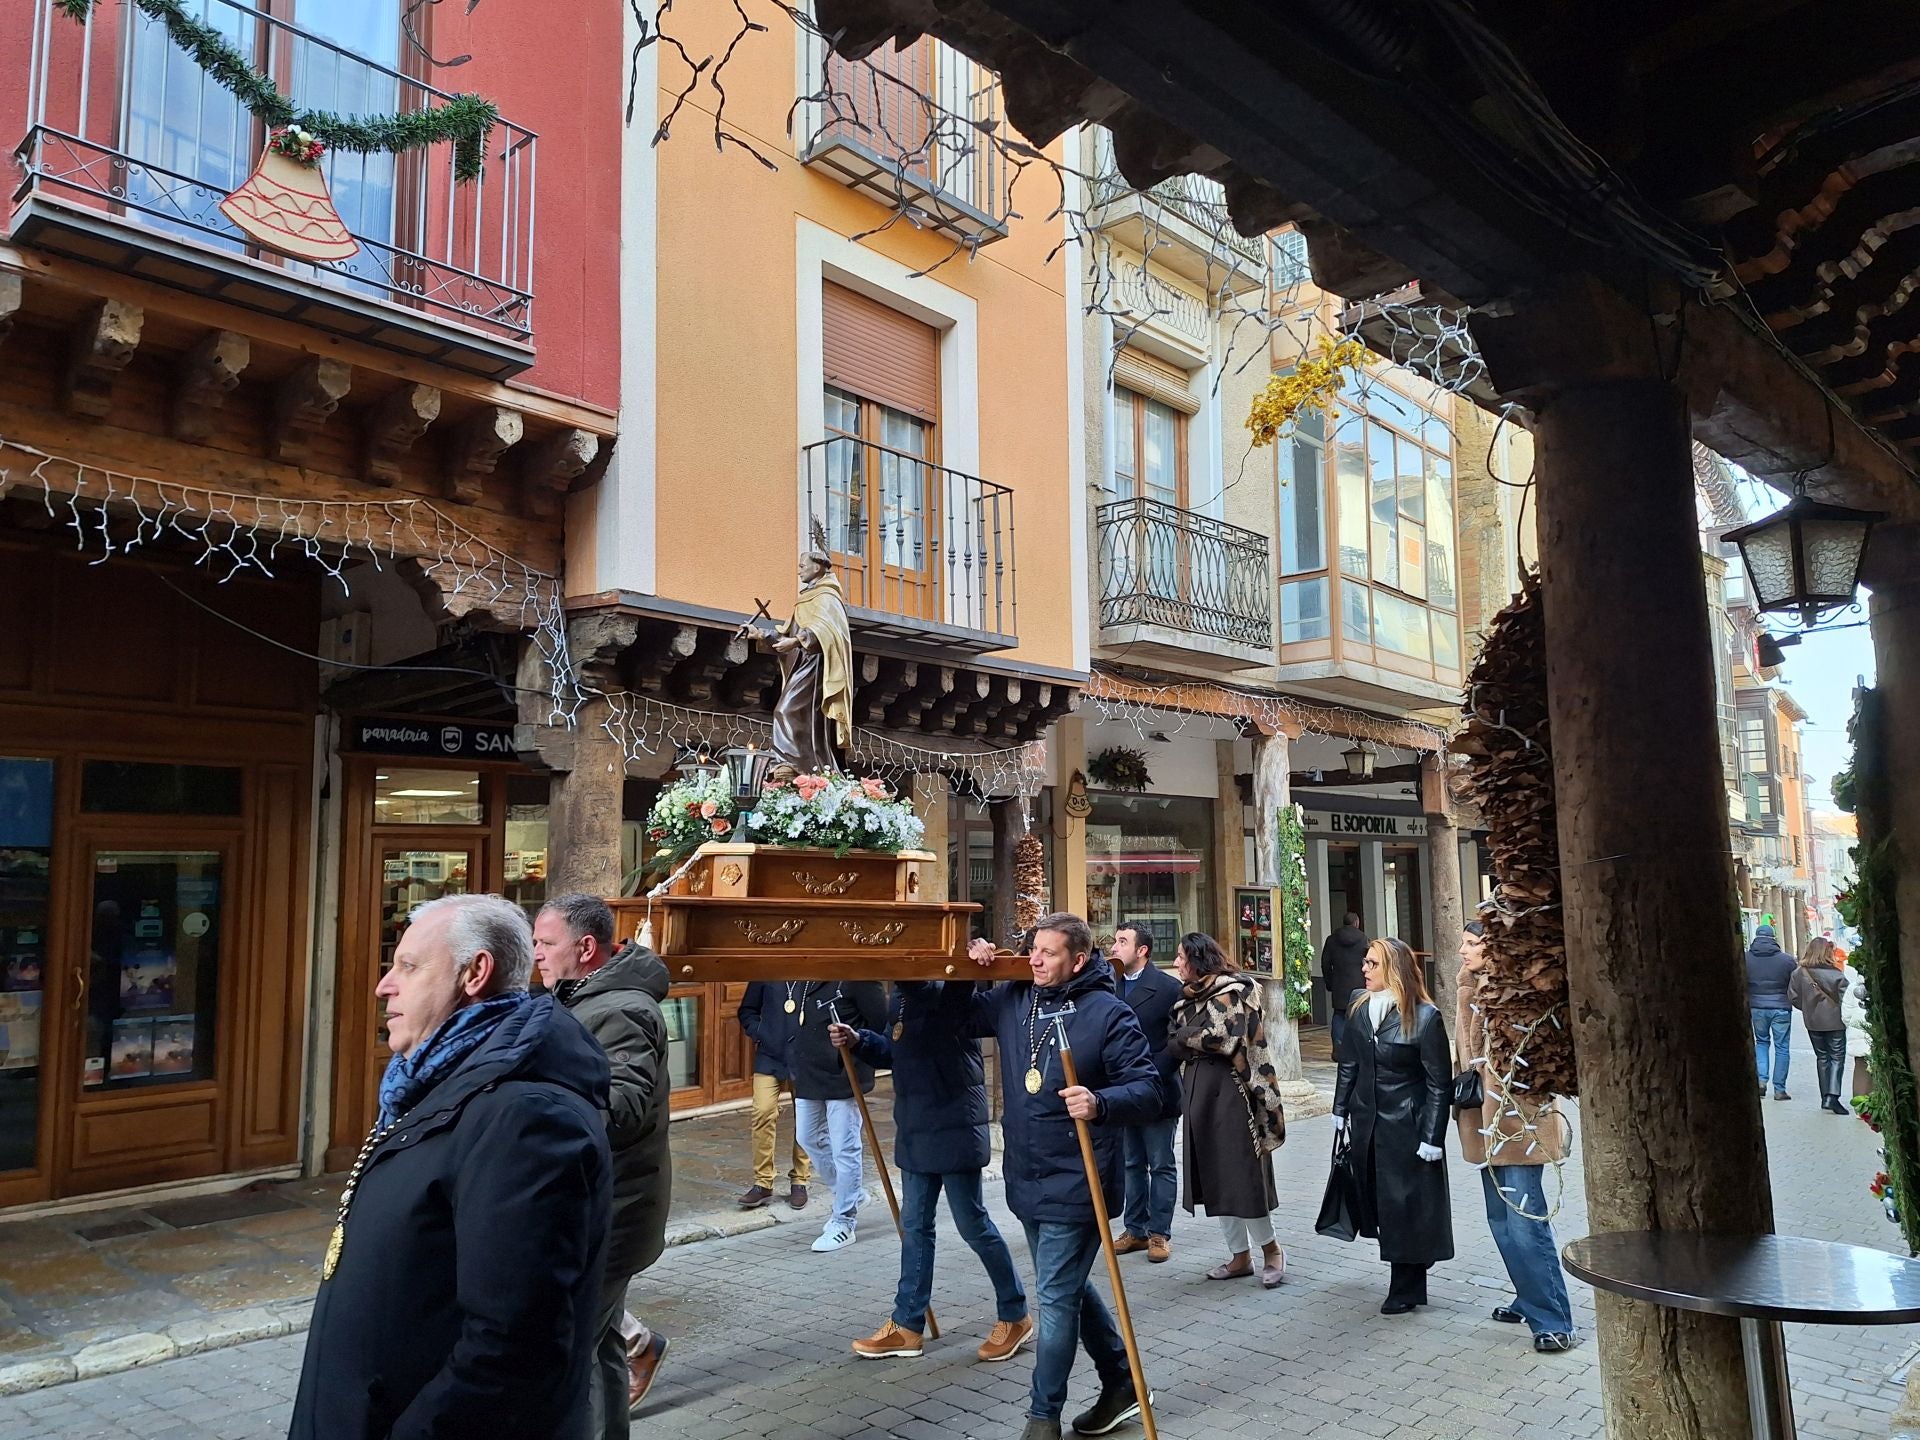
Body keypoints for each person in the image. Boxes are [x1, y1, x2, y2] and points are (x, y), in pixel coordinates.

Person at [289, 894, 611, 1440]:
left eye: (409, 967)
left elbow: (510, 1345)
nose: (383, 986)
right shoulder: (433, 1083)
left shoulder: (523, 1118)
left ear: (474, 972)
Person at [965, 914, 1161, 1440]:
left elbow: (1149, 1089)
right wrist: (972, 965)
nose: (1035, 960)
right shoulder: (1015, 999)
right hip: (1027, 1178)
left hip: (1081, 1182)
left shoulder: (1108, 1012)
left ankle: (1041, 1417)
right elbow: (952, 1015)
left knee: (1053, 1300)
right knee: (1067, 1287)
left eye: (1048, 953)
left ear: (1077, 960)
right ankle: (1121, 1382)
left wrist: (1100, 1101)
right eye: (1033, 950)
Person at [827, 982, 1033, 1363]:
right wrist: (860, 1041)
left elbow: (947, 999)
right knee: (915, 1226)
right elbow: (897, 1049)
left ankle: (1015, 1313)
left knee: (973, 1224)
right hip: (916, 1126)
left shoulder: (947, 991)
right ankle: (906, 1325)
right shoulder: (903, 995)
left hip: (954, 1125)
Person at [534, 895, 674, 1430]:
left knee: (568, 1356)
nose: (537, 955)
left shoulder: (618, 1009)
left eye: (547, 944)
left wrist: (537, 1102)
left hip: (614, 1209)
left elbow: (624, 1109)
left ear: (586, 947)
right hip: (603, 1205)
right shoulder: (583, 998)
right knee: (603, 1351)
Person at [1454, 922, 1576, 1354]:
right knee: (1501, 1223)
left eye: (1471, 943)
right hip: (1483, 1122)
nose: (1462, 950)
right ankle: (1528, 1296)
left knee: (1525, 1224)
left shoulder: (1515, 990)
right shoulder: (1469, 988)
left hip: (1519, 1122)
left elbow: (1541, 1051)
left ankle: (1554, 1320)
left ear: (1493, 947)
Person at [1331, 935, 1453, 1315]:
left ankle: (1406, 1286)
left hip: (1407, 1126)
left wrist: (1432, 1136)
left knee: (1404, 1205)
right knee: (1381, 1203)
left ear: (1394, 970)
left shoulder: (1425, 1017)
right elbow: (1349, 1061)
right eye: (1365, 963)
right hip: (1367, 1122)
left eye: (1372, 964)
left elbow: (1438, 1082)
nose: (1364, 969)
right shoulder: (1358, 1005)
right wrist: (1339, 1109)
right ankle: (1413, 1260)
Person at [1165, 932, 1286, 1288]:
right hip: (1199, 1091)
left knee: (1243, 1176)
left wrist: (1187, 1036)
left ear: (1197, 960)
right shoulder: (1188, 998)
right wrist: (1190, 1036)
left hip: (1234, 1093)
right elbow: (1174, 1041)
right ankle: (1239, 1256)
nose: (1175, 964)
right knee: (1215, 1174)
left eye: (1180, 957)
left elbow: (1222, 1039)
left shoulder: (1231, 991)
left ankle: (1272, 1250)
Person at [789, 979, 887, 1251]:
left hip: (845, 1072)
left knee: (845, 1148)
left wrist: (854, 1040)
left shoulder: (858, 977)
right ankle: (852, 1194)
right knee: (807, 1138)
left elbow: (880, 1025)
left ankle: (844, 1220)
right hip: (809, 1073)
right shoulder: (801, 979)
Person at [1108, 921, 1181, 1264]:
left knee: (1160, 1163)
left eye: (1122, 942)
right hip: (1121, 1091)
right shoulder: (1109, 985)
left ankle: (1159, 1233)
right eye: (1115, 940)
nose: (1114, 947)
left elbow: (1179, 1040)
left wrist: (1152, 1072)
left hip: (1157, 1090)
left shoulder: (1167, 988)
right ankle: (1134, 1229)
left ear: (1143, 951)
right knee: (1130, 1162)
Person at [736, 981, 812, 1210]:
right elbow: (747, 1011)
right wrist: (760, 1032)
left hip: (805, 1057)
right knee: (763, 1111)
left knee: (806, 1116)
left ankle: (800, 1180)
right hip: (769, 1056)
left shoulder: (815, 973)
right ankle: (763, 1182)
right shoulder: (766, 970)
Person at [1789, 936, 1851, 1114]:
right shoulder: (1836, 974)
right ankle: (1833, 1096)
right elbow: (1845, 999)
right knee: (1837, 1057)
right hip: (1835, 1022)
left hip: (1812, 1022)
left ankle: (1825, 1097)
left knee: (1822, 1057)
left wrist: (1808, 1008)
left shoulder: (1799, 973)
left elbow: (1793, 997)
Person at [1746, 922, 1795, 1100]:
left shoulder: (1745, 958)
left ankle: (1761, 1081)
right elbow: (1794, 983)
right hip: (1781, 1007)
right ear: (1773, 938)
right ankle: (1780, 1089)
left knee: (1762, 1042)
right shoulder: (1787, 960)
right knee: (1782, 1047)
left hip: (1757, 1007)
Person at [1319, 911, 1369, 1055]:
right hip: (1359, 982)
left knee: (1339, 1015)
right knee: (1359, 1014)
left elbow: (1325, 963)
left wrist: (1329, 982)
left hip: (1339, 983)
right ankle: (1358, 1047)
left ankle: (1338, 1045)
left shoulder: (1332, 939)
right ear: (1357, 923)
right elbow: (1369, 960)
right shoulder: (1363, 939)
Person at [1843, 961, 1872, 1102]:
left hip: (1858, 1031)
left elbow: (1846, 1015)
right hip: (1873, 1032)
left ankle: (1860, 1106)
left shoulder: (1853, 987)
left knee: (1861, 1066)